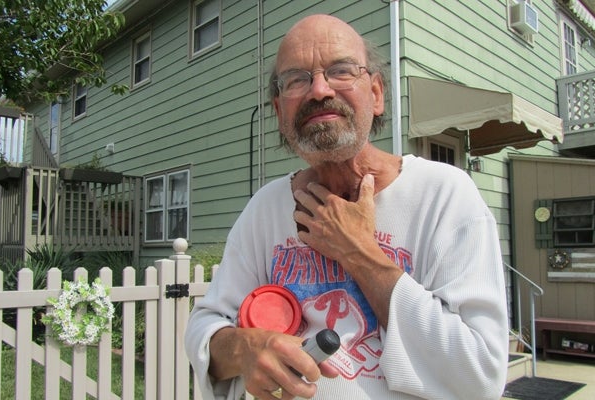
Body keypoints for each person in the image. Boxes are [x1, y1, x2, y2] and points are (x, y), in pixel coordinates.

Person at [185, 14, 509, 400]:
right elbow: (206, 327)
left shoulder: (444, 194)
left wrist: (358, 252)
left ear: (375, 93)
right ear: (278, 110)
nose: (319, 90)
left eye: (340, 71)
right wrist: (247, 349)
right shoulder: (265, 209)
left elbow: (480, 374)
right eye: (296, 80)